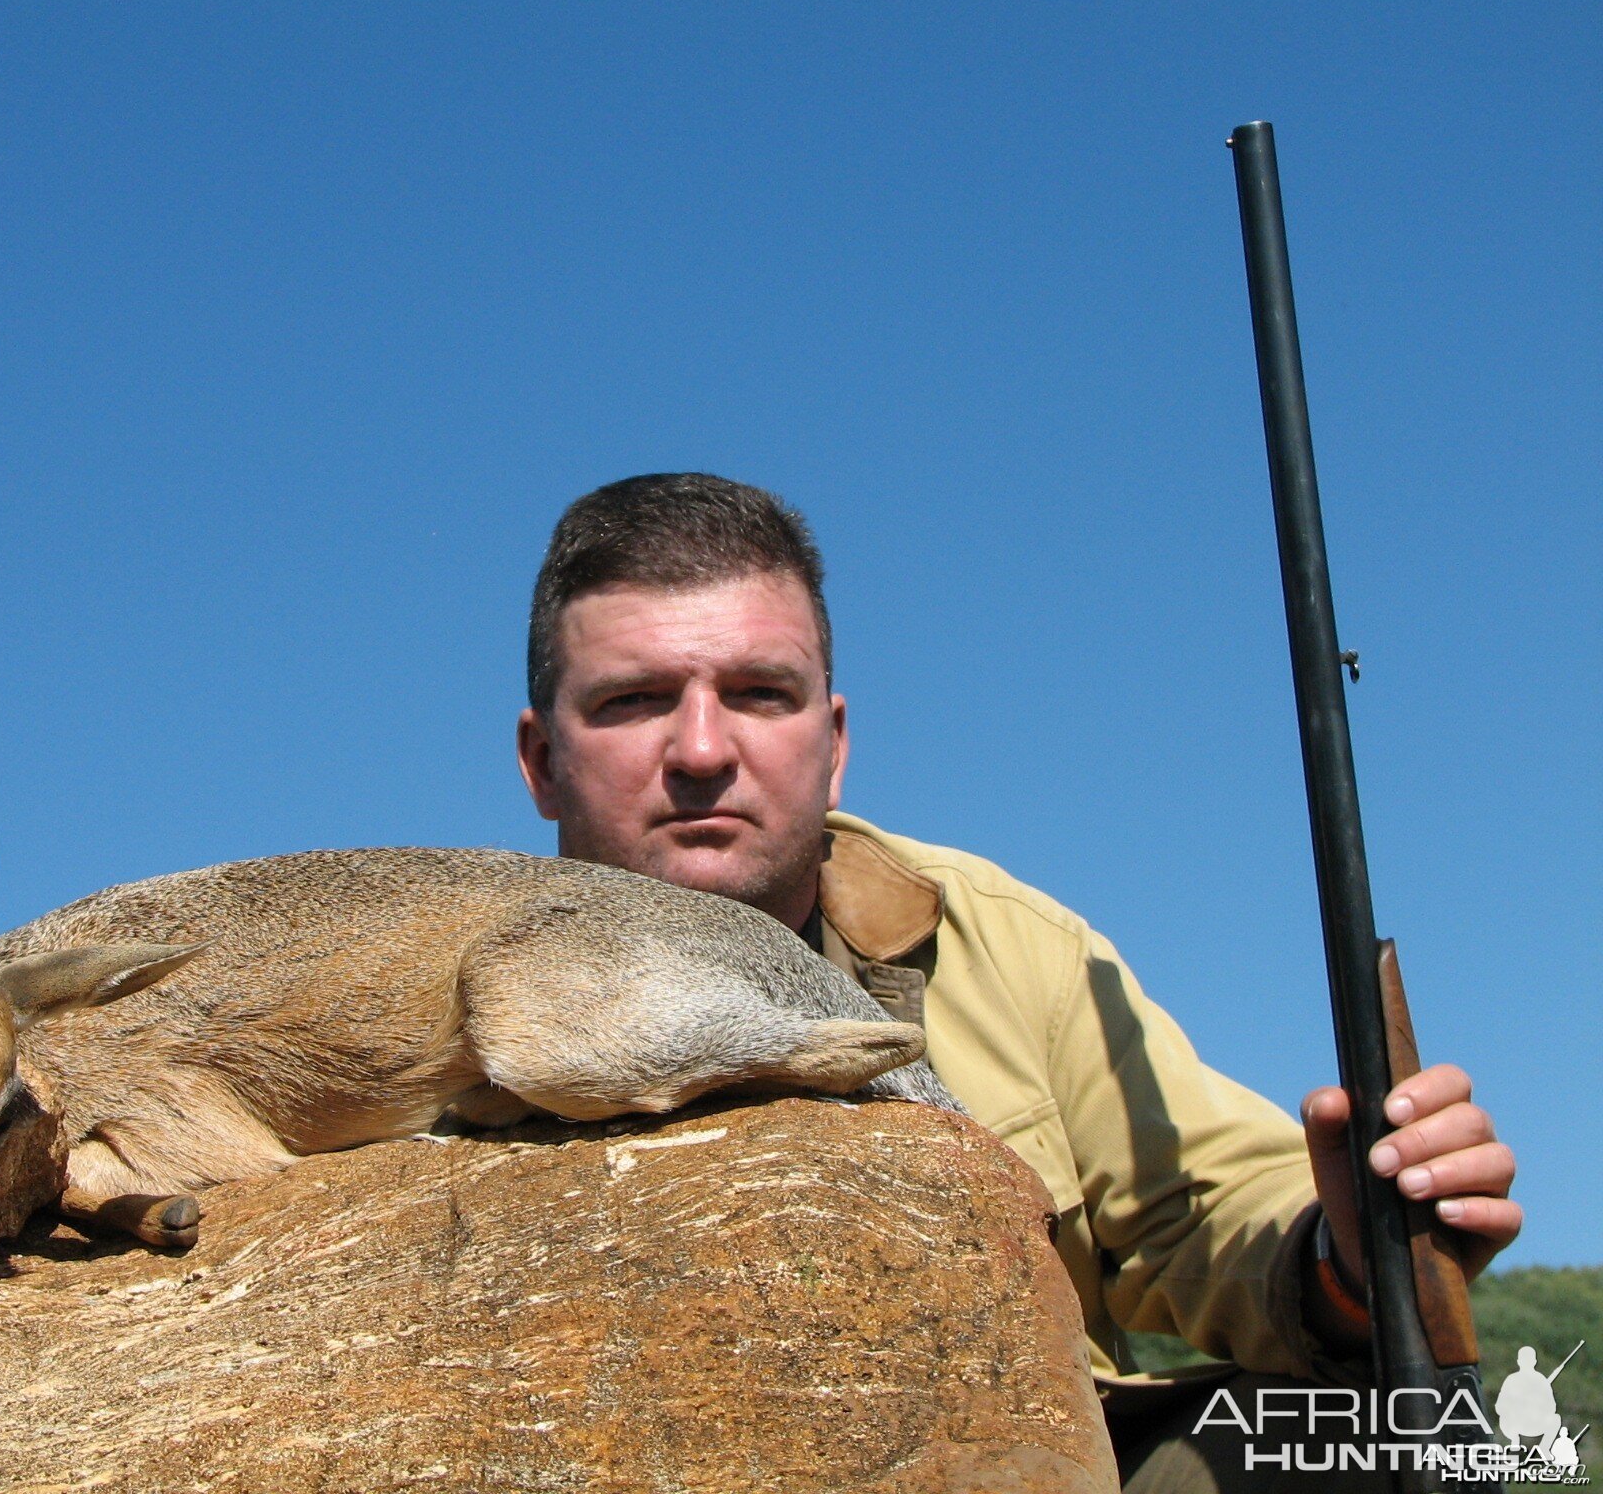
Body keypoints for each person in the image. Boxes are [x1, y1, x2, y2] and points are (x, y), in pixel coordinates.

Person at [513, 473, 1521, 1491]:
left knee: (1386, 1431)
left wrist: (1343, 1258)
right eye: (633, 701)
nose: (700, 750)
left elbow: (1199, 1207)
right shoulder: (424, 1000)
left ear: (833, 745)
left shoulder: (1003, 941)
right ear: (541, 759)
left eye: (759, 693)